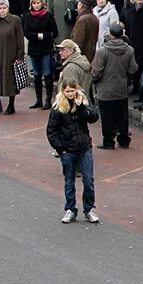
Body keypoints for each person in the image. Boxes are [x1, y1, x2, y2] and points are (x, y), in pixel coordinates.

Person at [45, 80, 101, 225]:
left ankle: (89, 209)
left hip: (84, 148)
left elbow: (93, 117)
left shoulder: (83, 102)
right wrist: (61, 149)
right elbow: (52, 131)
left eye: (72, 91)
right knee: (69, 181)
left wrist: (82, 107)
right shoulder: (58, 108)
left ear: (77, 90)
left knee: (88, 180)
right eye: (67, 91)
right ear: (63, 92)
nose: (70, 94)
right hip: (68, 150)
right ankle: (70, 209)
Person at [90, 23, 137, 150]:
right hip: (121, 89)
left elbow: (96, 71)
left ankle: (108, 142)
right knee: (122, 116)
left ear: (110, 34)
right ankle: (123, 139)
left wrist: (94, 79)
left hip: (105, 90)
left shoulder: (103, 51)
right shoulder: (129, 50)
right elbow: (133, 68)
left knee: (107, 117)